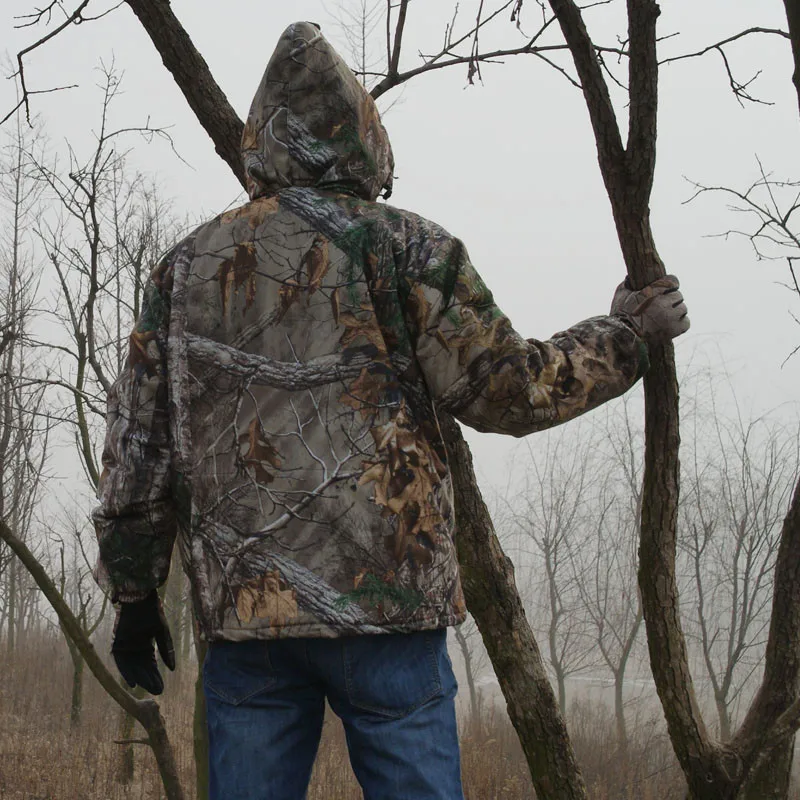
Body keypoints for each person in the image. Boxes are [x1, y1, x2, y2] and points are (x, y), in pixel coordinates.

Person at [93, 20, 689, 800]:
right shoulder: (406, 248)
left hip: (251, 617)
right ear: (364, 138)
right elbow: (509, 391)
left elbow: (141, 445)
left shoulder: (187, 269)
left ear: (263, 141)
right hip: (391, 608)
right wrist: (627, 336)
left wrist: (135, 597)